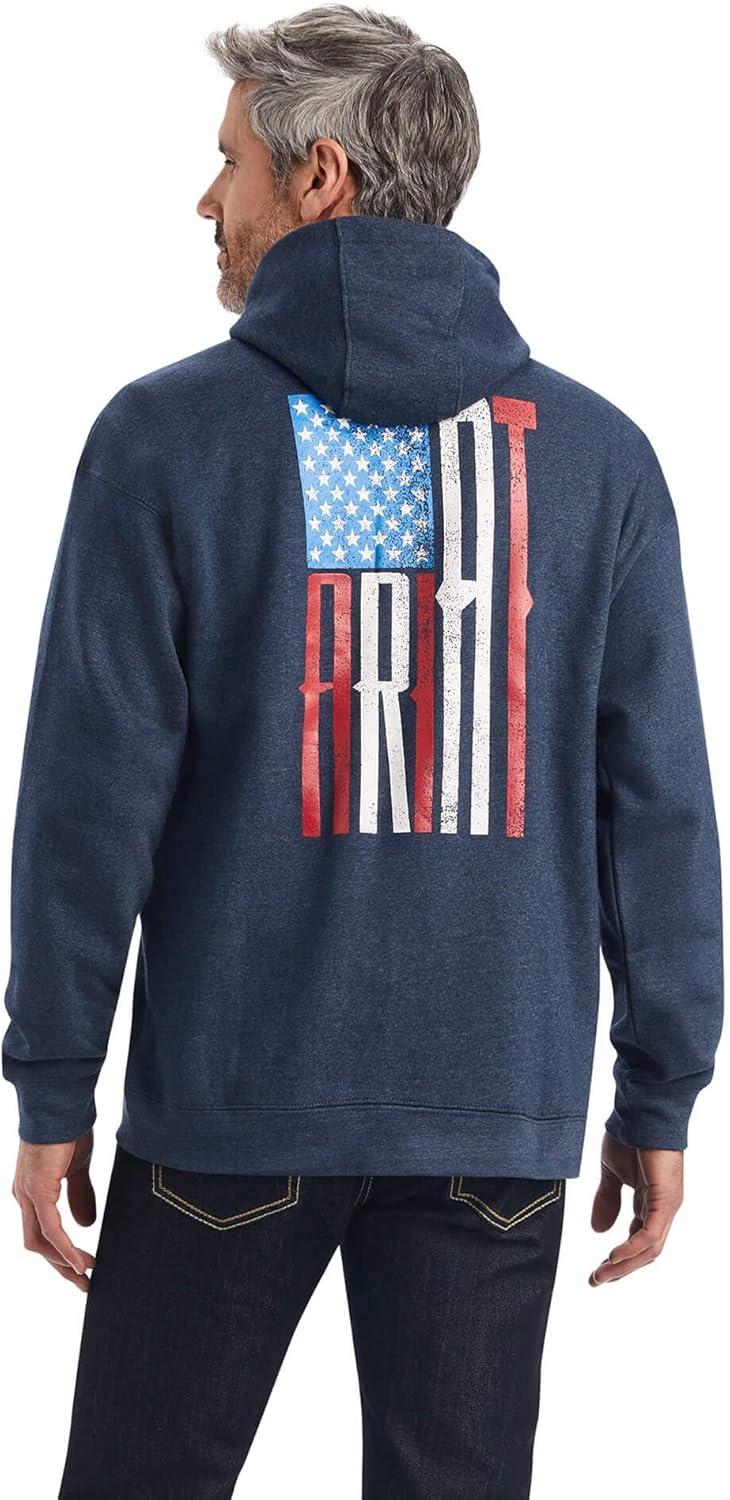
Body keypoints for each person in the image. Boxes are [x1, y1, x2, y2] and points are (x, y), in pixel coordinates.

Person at [2, 8, 723, 1498]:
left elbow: (90, 797)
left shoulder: (164, 439)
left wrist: (54, 1085)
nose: (206, 199)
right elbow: (652, 805)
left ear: (318, 174)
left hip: (231, 1100)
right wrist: (658, 1090)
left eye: (229, 162)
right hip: (493, 1110)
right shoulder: (598, 459)